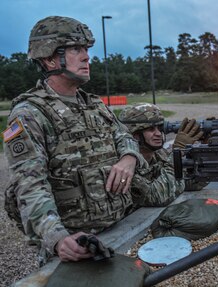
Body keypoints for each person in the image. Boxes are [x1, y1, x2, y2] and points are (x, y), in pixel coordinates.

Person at [3, 16, 145, 264]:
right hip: (76, 247)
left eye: (86, 49)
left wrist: (129, 158)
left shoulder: (93, 104)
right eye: (76, 49)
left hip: (120, 229)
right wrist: (57, 239)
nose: (86, 57)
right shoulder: (30, 114)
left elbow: (123, 134)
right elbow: (30, 186)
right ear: (49, 58)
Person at [119, 103, 205, 207]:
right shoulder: (125, 165)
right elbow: (156, 196)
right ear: (135, 135)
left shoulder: (159, 154)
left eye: (159, 128)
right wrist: (177, 153)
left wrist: (205, 149)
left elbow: (188, 183)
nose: (159, 134)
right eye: (151, 129)